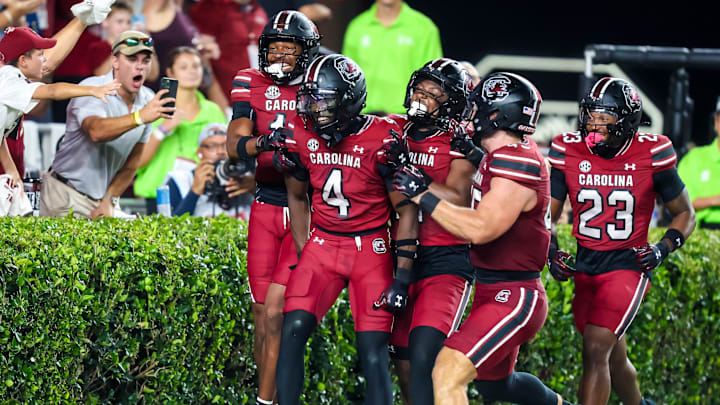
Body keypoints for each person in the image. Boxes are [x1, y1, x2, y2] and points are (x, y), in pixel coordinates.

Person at [393, 72, 574, 405]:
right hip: (493, 288)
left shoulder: (516, 161)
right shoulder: (505, 153)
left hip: (514, 294)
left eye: (477, 107)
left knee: (446, 371)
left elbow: (480, 228)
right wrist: (474, 155)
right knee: (496, 387)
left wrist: (422, 194)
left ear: (496, 115)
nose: (469, 113)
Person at [274, 53, 417, 405]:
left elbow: (406, 210)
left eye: (325, 103)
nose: (315, 111)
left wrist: (401, 277)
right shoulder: (301, 130)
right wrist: (304, 249)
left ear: (350, 101)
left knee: (372, 352)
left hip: (370, 248)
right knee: (291, 330)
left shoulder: (383, 138)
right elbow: (297, 196)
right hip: (323, 243)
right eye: (311, 101)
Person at [547, 77, 696, 405]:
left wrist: (663, 248)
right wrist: (551, 249)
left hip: (628, 264)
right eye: (591, 116)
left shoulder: (652, 153)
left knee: (595, 349)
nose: (594, 125)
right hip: (586, 264)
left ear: (626, 121)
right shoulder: (567, 148)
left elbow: (686, 214)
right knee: (613, 357)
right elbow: (549, 213)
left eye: (605, 118)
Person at [224, 10, 320, 405]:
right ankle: (273, 398)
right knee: (261, 319)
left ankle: (265, 402)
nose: (280, 55)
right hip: (264, 207)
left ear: (306, 52)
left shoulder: (321, 83)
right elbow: (234, 143)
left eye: (289, 48)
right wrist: (263, 144)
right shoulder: (249, 80)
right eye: (274, 47)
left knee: (277, 312)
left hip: (304, 207)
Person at [384, 58, 478, 405]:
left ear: (451, 102)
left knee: (426, 354)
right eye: (420, 88)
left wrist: (414, 178)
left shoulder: (459, 140)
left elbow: (458, 196)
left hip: (446, 258)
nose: (422, 97)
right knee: (405, 363)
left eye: (434, 92)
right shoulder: (394, 127)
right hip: (401, 257)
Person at [39, 30, 175, 218]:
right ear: (115, 61)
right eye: (132, 59)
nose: (140, 66)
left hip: (102, 201)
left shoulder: (147, 99)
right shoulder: (93, 89)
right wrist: (140, 117)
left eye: (145, 60)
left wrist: (110, 199)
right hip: (65, 194)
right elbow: (96, 131)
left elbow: (132, 162)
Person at [0, 26, 119, 190]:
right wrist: (92, 90)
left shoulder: (11, 80)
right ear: (23, 61)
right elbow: (52, 91)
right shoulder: (9, 81)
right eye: (40, 54)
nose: (45, 60)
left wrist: (12, 171)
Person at [133, 46, 226, 214]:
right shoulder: (154, 108)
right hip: (158, 195)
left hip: (204, 195)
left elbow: (226, 155)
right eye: (184, 67)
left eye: (196, 66)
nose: (192, 72)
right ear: (170, 72)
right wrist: (162, 130)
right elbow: (137, 162)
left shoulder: (213, 110)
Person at [342, 0, 442, 115]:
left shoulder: (425, 28)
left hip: (406, 118)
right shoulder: (356, 27)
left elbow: (432, 81)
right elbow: (348, 78)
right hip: (364, 117)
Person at [164, 122, 254, 218]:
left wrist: (254, 189)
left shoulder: (247, 179)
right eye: (212, 146)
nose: (220, 152)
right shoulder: (181, 181)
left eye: (226, 146)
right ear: (199, 153)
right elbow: (171, 227)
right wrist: (194, 192)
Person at [188, 0, 267, 98]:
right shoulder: (211, 7)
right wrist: (215, 96)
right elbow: (203, 55)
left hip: (256, 93)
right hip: (226, 96)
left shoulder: (257, 9)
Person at [677, 96, 720, 229]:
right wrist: (715, 200)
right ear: (716, 121)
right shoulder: (694, 159)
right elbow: (679, 201)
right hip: (704, 233)